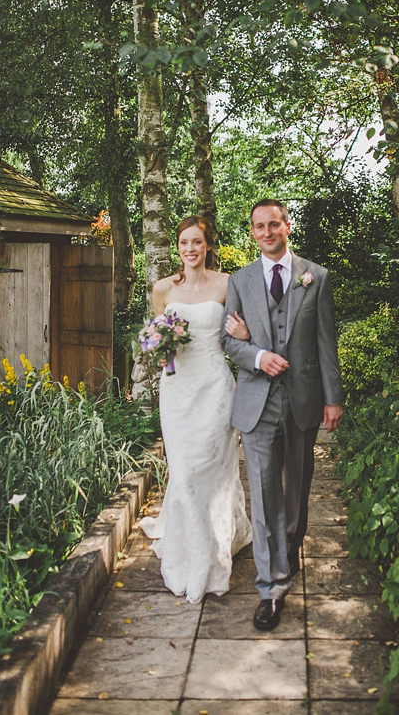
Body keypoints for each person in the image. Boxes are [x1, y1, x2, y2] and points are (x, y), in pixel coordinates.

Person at [222, 199, 343, 631]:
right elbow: (228, 341)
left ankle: (289, 549)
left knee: (297, 488)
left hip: (305, 398)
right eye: (259, 226)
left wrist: (334, 398)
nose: (267, 231)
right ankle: (271, 589)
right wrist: (257, 355)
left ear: (287, 226)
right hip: (256, 402)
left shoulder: (317, 277)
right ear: (252, 232)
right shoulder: (240, 281)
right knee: (265, 491)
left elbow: (326, 342)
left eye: (274, 224)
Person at [139, 215, 252, 604]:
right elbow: (154, 341)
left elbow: (242, 331)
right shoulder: (162, 289)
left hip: (216, 387)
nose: (190, 249)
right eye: (184, 242)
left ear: (207, 246)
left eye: (197, 243)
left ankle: (215, 552)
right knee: (184, 471)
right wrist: (157, 347)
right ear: (178, 246)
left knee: (215, 470)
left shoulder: (227, 284)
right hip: (178, 391)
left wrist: (244, 334)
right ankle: (187, 556)